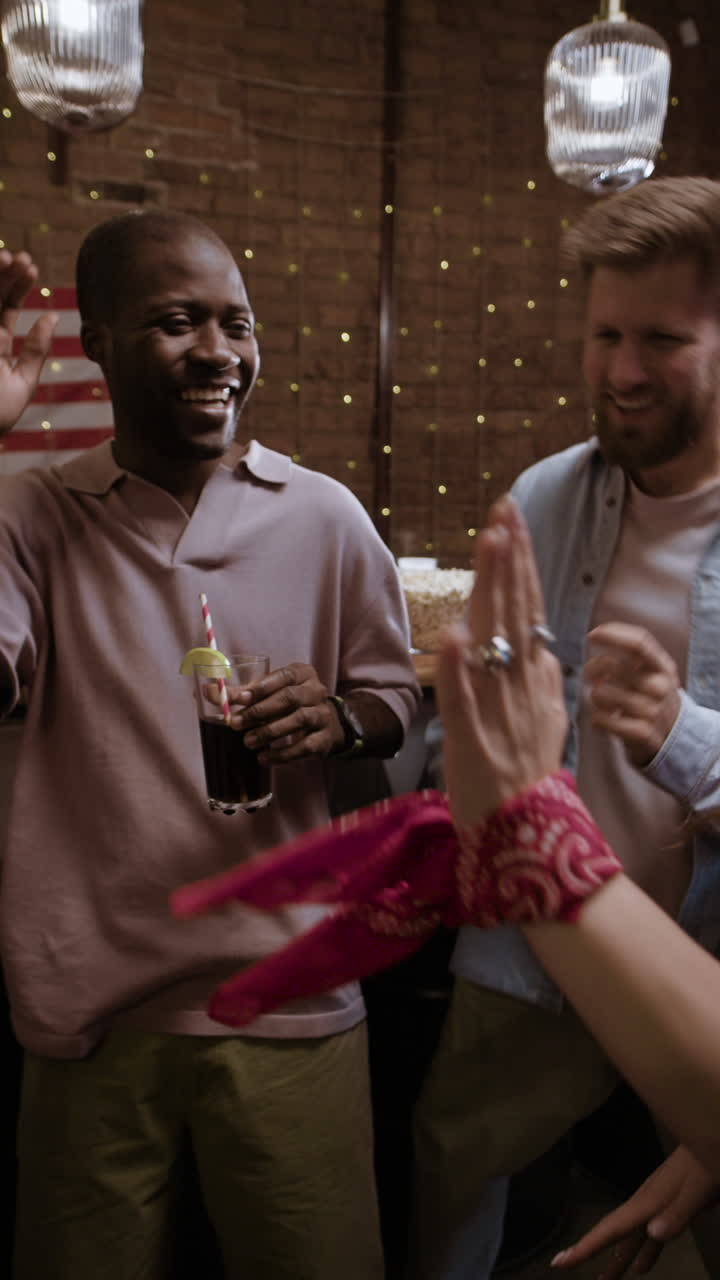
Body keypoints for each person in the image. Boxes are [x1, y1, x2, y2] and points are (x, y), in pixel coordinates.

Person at [0, 212, 420, 1280]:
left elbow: (392, 696)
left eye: (236, 322)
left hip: (293, 996)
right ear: (95, 338)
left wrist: (345, 715)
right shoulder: (29, 516)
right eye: (177, 321)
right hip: (92, 1005)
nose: (219, 351)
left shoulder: (325, 516)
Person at [174, 493, 720, 1278]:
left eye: (665, 355)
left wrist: (538, 831)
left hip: (686, 937)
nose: (626, 368)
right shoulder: (549, 495)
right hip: (546, 967)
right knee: (455, 1154)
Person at [410, 173, 720, 1280]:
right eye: (604, 334)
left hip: (702, 971)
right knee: (452, 1178)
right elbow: (483, 719)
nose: (623, 370)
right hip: (531, 948)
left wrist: (681, 733)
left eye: (663, 339)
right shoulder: (542, 495)